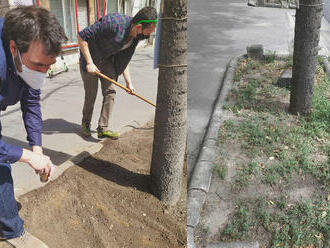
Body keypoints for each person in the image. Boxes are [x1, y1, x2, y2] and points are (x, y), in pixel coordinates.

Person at [0, 6, 67, 248]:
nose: (42, 74)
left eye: (48, 67)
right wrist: (26, 157)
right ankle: (12, 230)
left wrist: (36, 148)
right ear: (13, 48)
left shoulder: (27, 61)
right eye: (38, 65)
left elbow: (31, 102)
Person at [78, 6, 157, 139]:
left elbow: (124, 60)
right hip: (90, 59)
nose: (148, 35)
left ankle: (102, 128)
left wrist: (129, 83)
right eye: (148, 32)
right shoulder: (113, 23)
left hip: (107, 61)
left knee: (110, 92)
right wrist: (90, 63)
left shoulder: (135, 38)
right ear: (138, 27)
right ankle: (86, 123)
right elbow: (81, 37)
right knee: (91, 95)